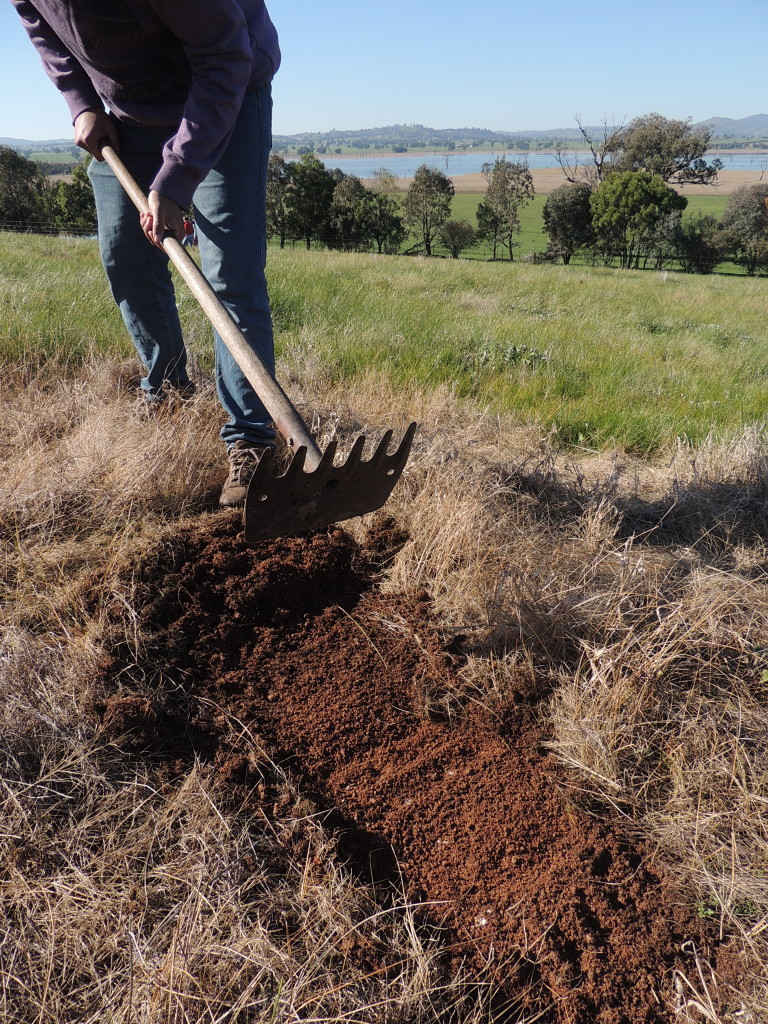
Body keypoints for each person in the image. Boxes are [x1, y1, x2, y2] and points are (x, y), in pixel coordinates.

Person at [11, 0, 281, 507]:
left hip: (225, 94)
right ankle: (170, 391)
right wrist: (81, 101)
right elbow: (37, 22)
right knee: (126, 255)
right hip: (127, 113)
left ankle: (251, 440)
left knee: (230, 274)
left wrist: (176, 179)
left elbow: (225, 55)